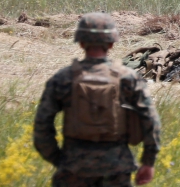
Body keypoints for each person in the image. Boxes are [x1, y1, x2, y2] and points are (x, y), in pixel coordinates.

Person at [34, 13, 161, 187]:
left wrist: (61, 160)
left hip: (72, 169)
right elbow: (150, 120)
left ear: (81, 43)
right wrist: (148, 162)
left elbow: (42, 126)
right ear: (111, 43)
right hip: (117, 170)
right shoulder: (128, 78)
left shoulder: (63, 78)